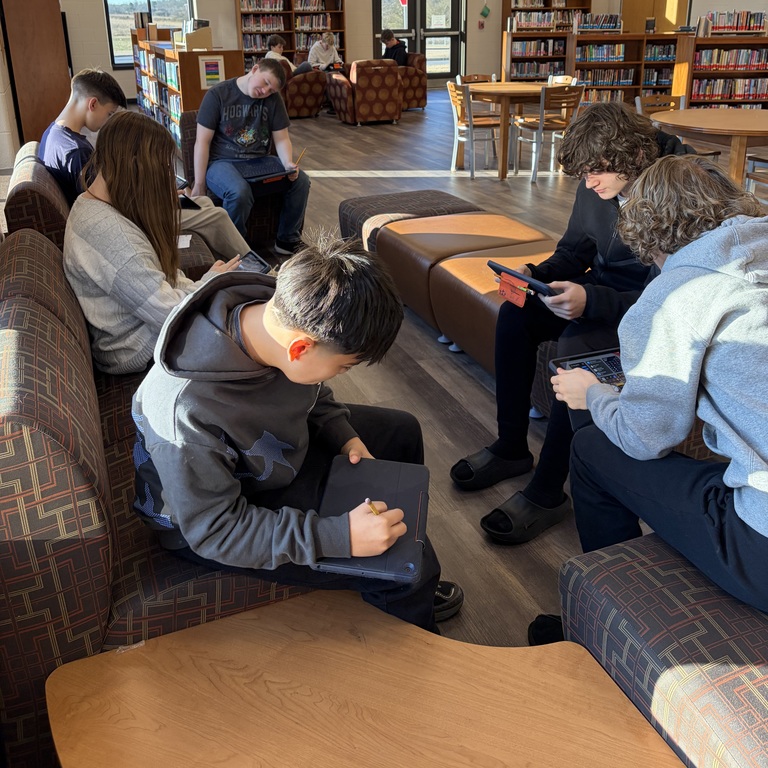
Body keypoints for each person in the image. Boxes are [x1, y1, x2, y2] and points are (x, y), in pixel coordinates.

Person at [132, 235, 464, 631]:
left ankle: (395, 565)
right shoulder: (185, 414)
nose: (341, 375)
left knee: (400, 431)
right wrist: (339, 537)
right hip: (215, 518)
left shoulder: (282, 311)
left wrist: (344, 435)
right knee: (414, 566)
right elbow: (214, 532)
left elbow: (312, 391)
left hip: (268, 458)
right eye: (343, 367)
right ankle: (406, 598)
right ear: (300, 349)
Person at [532, 155, 767, 641]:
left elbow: (645, 438)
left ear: (648, 234)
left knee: (592, 451)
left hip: (760, 545)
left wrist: (594, 394)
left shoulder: (675, 296)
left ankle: (602, 617)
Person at [450, 103, 693, 544]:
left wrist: (591, 301)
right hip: (597, 294)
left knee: (575, 356)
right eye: (583, 174)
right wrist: (536, 277)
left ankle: (546, 493)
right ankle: (510, 447)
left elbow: (670, 299)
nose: (589, 183)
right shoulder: (598, 180)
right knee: (514, 312)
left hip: (645, 315)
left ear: (634, 156)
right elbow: (575, 249)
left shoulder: (677, 190)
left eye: (596, 172)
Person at [64, 110, 240, 375]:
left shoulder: (90, 204)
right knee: (249, 332)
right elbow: (169, 312)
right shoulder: (111, 236)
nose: (168, 179)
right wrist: (209, 283)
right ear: (136, 166)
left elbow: (161, 284)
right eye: (164, 169)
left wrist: (203, 283)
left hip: (142, 330)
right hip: (138, 349)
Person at [40, 68, 250, 261]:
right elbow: (107, 202)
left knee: (202, 202)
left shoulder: (53, 134)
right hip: (128, 220)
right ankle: (253, 266)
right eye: (110, 114)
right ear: (93, 104)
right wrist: (157, 196)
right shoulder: (76, 152)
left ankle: (227, 263)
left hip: (121, 211)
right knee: (217, 215)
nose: (108, 121)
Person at [193, 58, 310, 256]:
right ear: (254, 69)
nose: (265, 92)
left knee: (301, 181)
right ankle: (234, 249)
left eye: (271, 90)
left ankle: (287, 240)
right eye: (265, 83)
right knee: (239, 192)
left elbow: (281, 139)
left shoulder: (273, 101)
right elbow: (202, 142)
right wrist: (199, 184)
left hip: (259, 161)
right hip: (223, 163)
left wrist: (288, 163)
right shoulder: (218, 94)